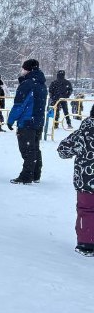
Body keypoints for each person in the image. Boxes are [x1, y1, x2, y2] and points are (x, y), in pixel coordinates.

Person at [58, 105, 94, 256]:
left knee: (86, 210)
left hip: (86, 181)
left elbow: (63, 150)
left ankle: (87, 243)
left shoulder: (83, 132)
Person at [7, 59, 48, 184]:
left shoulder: (27, 84)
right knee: (35, 148)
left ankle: (26, 176)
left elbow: (19, 105)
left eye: (23, 68)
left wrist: (10, 119)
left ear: (28, 69)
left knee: (27, 150)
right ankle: (36, 174)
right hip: (38, 121)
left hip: (26, 122)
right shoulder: (42, 84)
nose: (22, 71)